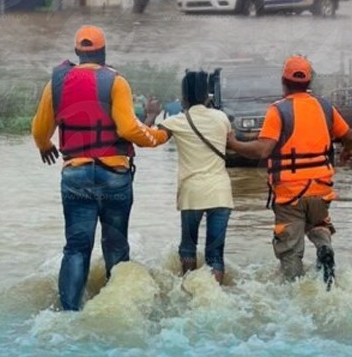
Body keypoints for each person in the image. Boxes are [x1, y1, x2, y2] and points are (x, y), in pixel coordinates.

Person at [31, 25, 170, 311]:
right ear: (103, 52)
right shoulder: (116, 82)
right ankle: (121, 309)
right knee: (116, 247)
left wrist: (45, 145)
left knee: (76, 248)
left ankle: (69, 312)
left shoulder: (56, 83)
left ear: (77, 53)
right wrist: (158, 136)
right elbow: (129, 129)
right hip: (114, 177)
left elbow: (40, 128)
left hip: (76, 176)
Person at [226, 56, 352, 285]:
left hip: (289, 195)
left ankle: (294, 293)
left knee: (290, 251)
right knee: (319, 224)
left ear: (283, 81)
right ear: (309, 82)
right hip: (321, 190)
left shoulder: (278, 110)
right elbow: (350, 136)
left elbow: (262, 150)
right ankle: (324, 247)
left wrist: (233, 144)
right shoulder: (325, 107)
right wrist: (348, 151)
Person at [156, 70, 234, 284]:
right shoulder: (222, 118)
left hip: (192, 194)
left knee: (188, 248)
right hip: (220, 194)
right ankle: (215, 294)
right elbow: (232, 143)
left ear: (184, 97)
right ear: (207, 96)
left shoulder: (177, 121)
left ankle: (189, 292)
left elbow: (152, 138)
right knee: (215, 255)